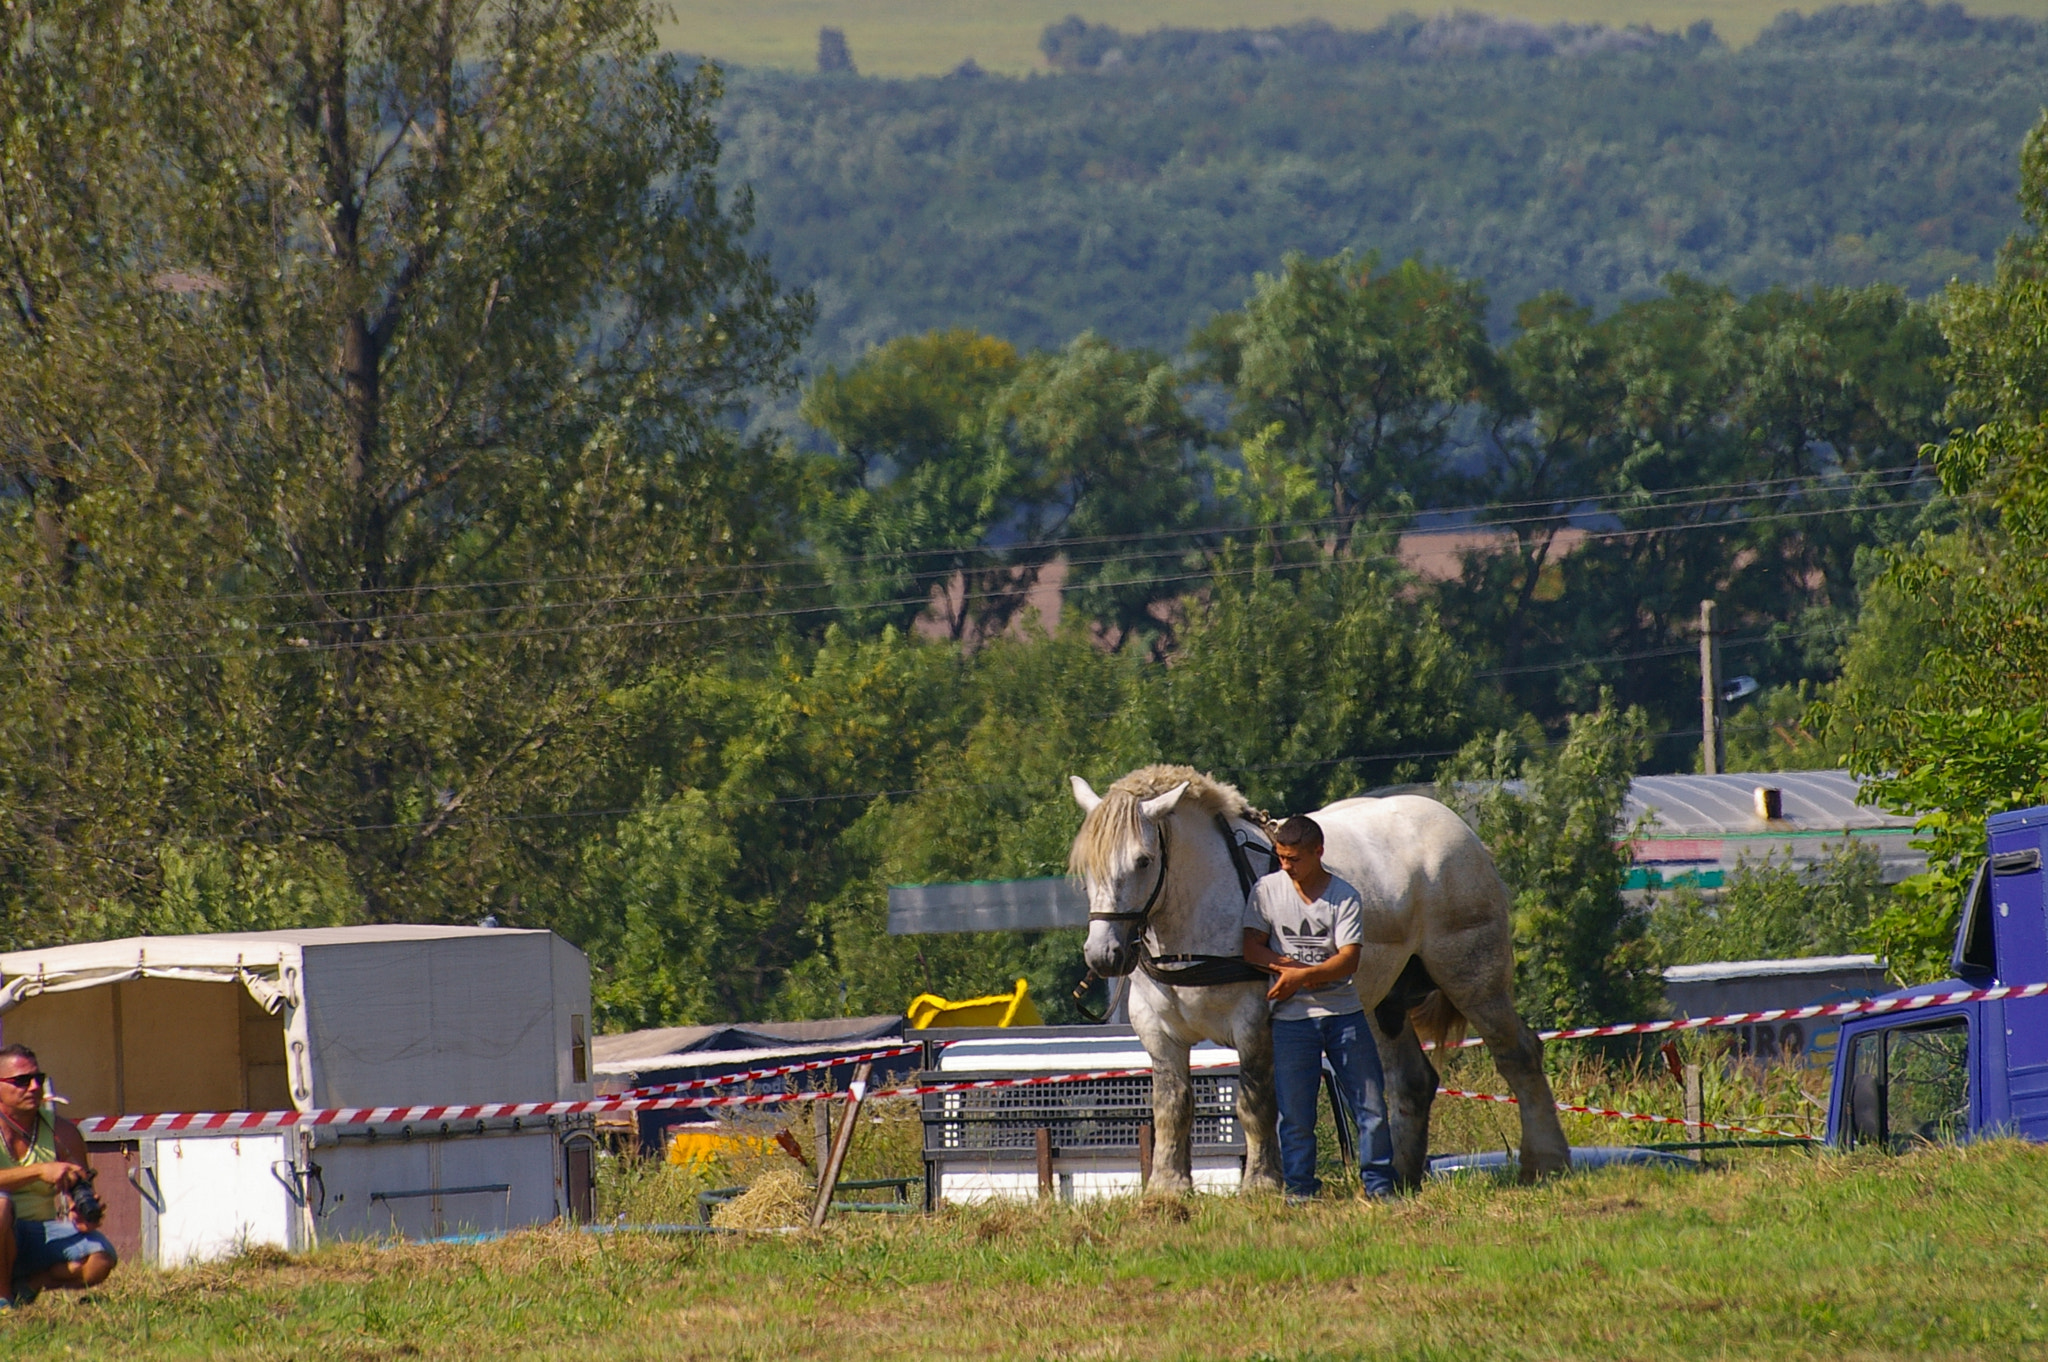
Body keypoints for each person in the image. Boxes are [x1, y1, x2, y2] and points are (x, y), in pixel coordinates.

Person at [1241, 815, 1398, 1200]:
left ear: (1318, 852)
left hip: (1344, 1017)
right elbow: (1250, 948)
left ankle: (1379, 1188)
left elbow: (1348, 961)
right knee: (1295, 1117)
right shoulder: (1266, 891)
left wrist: (1298, 976)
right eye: (1280, 857)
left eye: (1293, 858)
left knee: (1371, 1108)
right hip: (1291, 1022)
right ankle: (1300, 1192)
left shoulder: (1344, 896)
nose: (1285, 865)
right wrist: (1286, 968)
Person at [0, 1043, 117, 1308]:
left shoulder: (62, 1133)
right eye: (21, 1081)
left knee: (100, 1258)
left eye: (37, 1079)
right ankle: (3, 1299)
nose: (33, 1087)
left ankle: (29, 1286)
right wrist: (41, 1170)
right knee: (1, 1205)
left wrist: (83, 1209)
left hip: (39, 1232)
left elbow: (82, 1187)